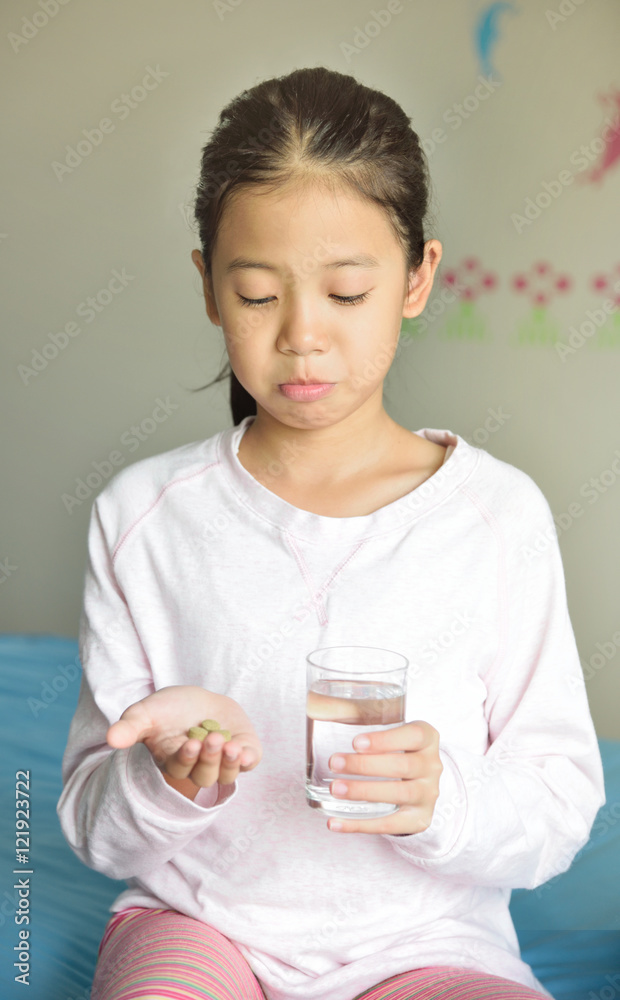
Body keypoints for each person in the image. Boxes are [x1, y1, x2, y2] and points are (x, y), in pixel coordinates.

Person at [56, 66, 605, 1000]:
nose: (303, 336)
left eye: (347, 293)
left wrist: (446, 800)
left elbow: (559, 803)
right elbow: (89, 823)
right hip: (202, 924)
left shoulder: (496, 518)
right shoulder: (146, 516)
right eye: (260, 295)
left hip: (430, 947)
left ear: (418, 279)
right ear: (209, 288)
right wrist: (172, 781)